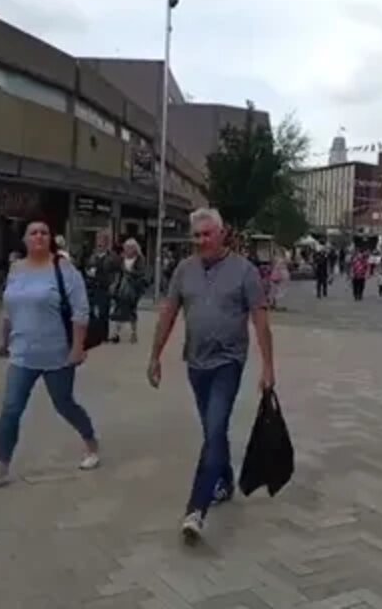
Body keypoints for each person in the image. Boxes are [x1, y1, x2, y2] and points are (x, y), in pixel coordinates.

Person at [147, 208, 275, 543]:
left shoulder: (244, 271)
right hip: (196, 363)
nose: (202, 241)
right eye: (197, 235)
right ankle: (225, 480)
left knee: (215, 427)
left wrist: (268, 367)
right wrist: (155, 355)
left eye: (207, 234)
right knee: (212, 430)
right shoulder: (184, 270)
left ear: (222, 234)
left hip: (228, 362)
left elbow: (260, 319)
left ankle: (196, 509)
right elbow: (169, 312)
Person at [0, 219, 100, 492]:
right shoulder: (16, 269)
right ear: (25, 240)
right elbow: (9, 309)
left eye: (44, 232)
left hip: (58, 354)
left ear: (50, 238)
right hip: (22, 354)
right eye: (33, 233)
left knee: (64, 404)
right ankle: (1, 468)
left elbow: (80, 311)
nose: (39, 236)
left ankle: (90, 443)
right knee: (10, 410)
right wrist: (4, 342)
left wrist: (77, 348)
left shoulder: (63, 268)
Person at [110, 238, 148, 343]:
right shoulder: (122, 258)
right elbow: (116, 271)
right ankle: (116, 334)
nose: (126, 250)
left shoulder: (140, 259)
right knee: (118, 309)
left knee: (131, 310)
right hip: (121, 288)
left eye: (129, 248)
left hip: (134, 288)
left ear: (134, 249)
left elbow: (141, 273)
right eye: (125, 247)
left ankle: (133, 333)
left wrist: (129, 272)